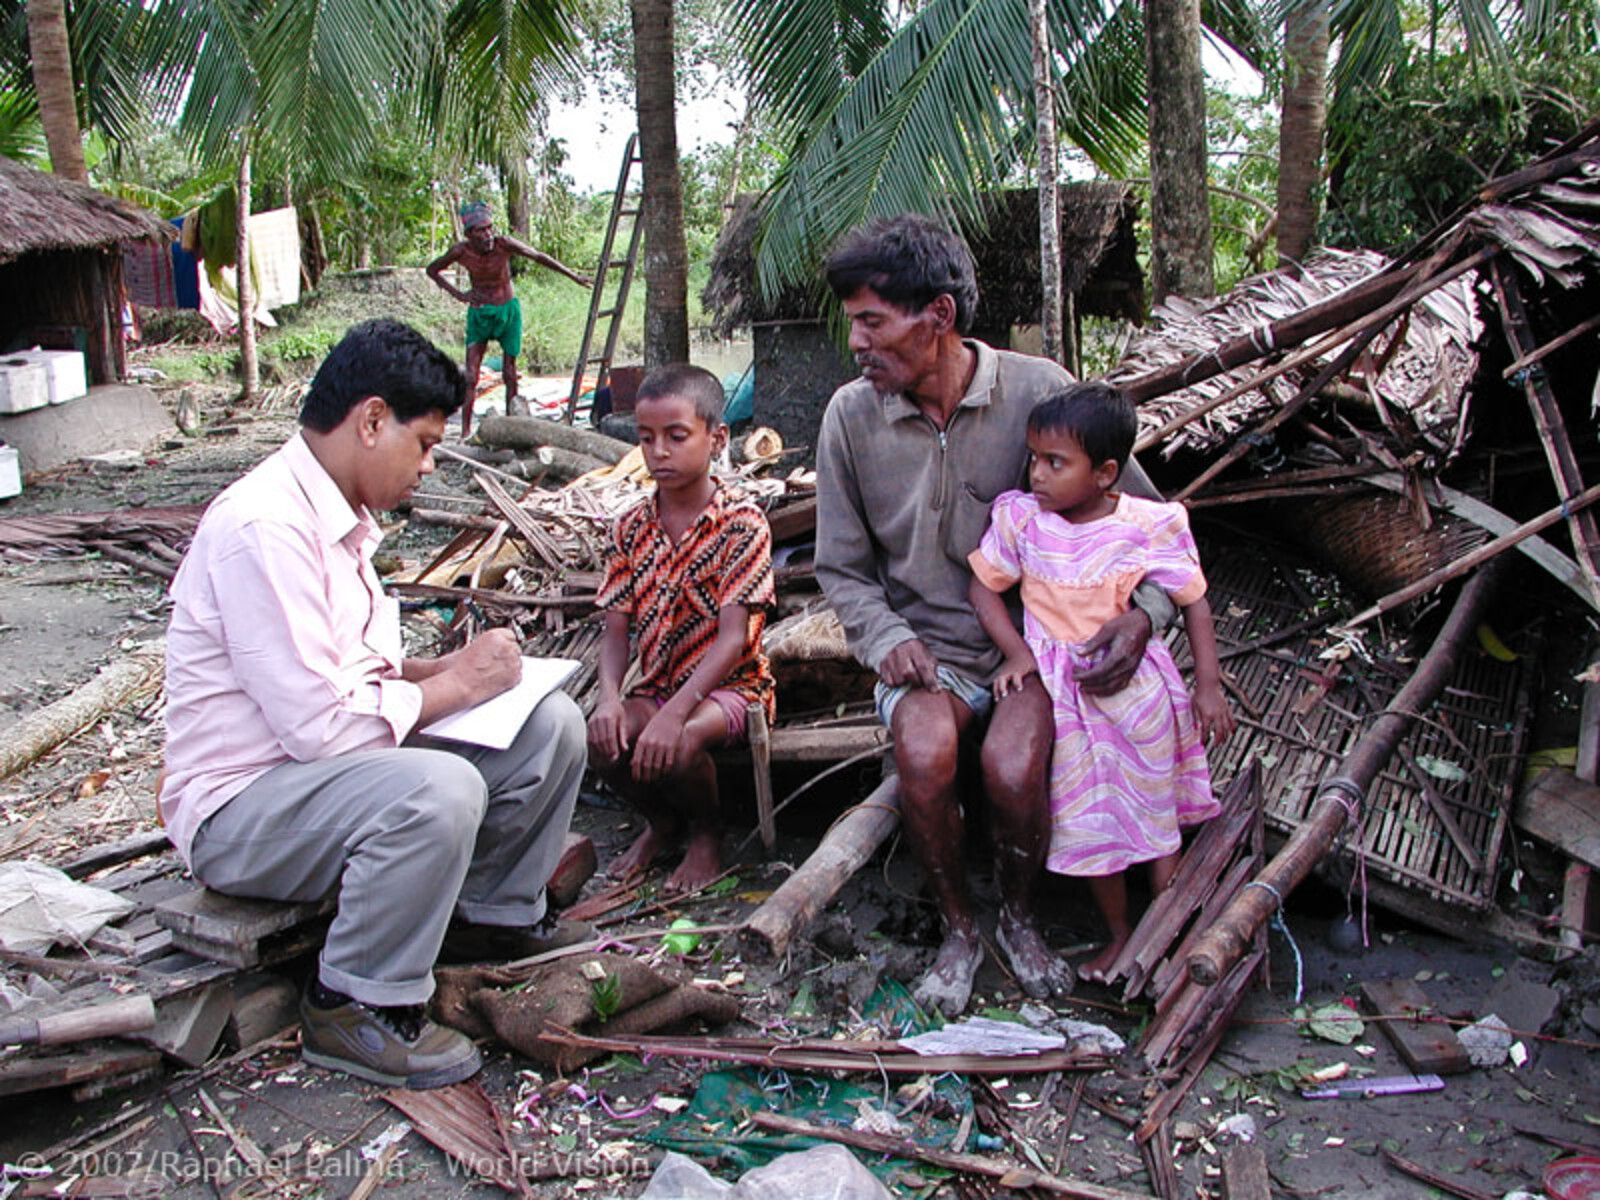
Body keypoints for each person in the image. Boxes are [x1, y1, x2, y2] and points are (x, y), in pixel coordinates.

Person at [161, 319, 590, 1090]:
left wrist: (454, 668)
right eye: (424, 443)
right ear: (369, 421)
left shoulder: (340, 520)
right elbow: (323, 727)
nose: (429, 465)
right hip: (241, 810)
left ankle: (489, 917)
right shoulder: (263, 528)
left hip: (320, 779)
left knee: (549, 725)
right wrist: (456, 686)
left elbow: (360, 673)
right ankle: (354, 1002)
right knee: (438, 789)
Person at [815, 213, 1174, 1016]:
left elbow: (1149, 529)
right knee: (924, 745)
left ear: (937, 316)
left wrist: (1143, 616)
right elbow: (841, 566)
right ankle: (959, 930)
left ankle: (1019, 920)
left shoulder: (1039, 392)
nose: (859, 344)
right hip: (924, 654)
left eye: (873, 322)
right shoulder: (850, 416)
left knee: (1013, 768)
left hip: (1034, 653)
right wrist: (887, 638)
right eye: (854, 325)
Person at [969, 383, 1234, 983]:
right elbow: (983, 585)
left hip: (1138, 697)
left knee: (1154, 810)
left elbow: (1193, 600)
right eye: (1034, 457)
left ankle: (1164, 926)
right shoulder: (1023, 522)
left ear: (1107, 473)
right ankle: (1119, 933)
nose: (1036, 473)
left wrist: (1209, 686)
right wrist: (1017, 652)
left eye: (1055, 462)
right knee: (1090, 821)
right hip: (1066, 701)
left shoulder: (1148, 525)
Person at [589, 364, 776, 893]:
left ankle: (706, 837)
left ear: (717, 439)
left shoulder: (742, 524)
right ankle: (662, 823)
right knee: (603, 737)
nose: (658, 453)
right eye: (646, 439)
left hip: (733, 691)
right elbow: (616, 630)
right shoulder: (630, 527)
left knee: (682, 739)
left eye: (676, 436)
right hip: (658, 687)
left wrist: (676, 714)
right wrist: (607, 698)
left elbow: (735, 638)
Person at [425, 201, 592, 438]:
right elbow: (432, 270)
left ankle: (512, 426)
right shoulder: (461, 252)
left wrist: (573, 276)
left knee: (509, 373)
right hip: (480, 313)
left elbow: (538, 256)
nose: (488, 234)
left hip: (508, 311)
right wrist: (459, 295)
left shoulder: (503, 244)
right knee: (471, 376)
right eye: (481, 230)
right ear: (470, 234)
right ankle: (464, 432)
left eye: (490, 228)